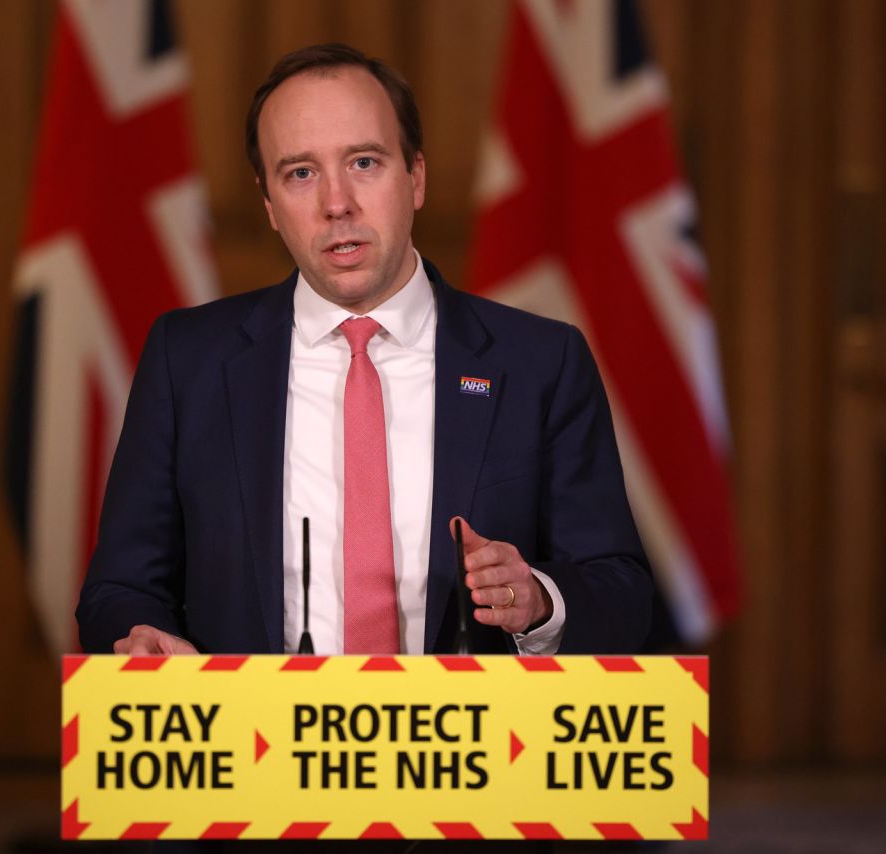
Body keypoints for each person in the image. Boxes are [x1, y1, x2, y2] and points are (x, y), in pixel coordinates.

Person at [77, 43, 652, 658]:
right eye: (301, 173)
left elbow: (621, 593)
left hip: (466, 747)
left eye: (364, 163)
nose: (336, 203)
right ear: (270, 205)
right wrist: (141, 639)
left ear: (417, 177)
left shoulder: (542, 363)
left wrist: (538, 600)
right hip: (253, 742)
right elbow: (119, 589)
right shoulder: (186, 361)